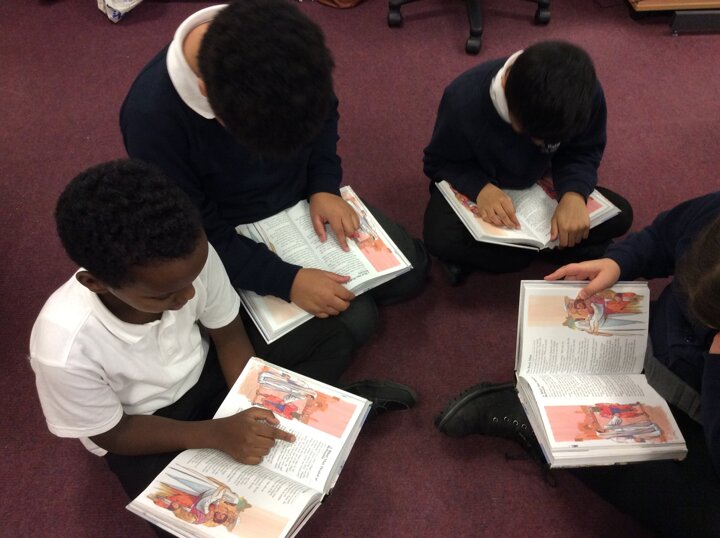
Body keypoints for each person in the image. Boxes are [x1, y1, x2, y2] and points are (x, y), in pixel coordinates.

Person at [119, 0, 429, 400]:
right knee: (356, 320)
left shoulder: (289, 49)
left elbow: (323, 121)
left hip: (303, 202)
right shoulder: (150, 117)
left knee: (412, 271)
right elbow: (193, 231)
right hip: (230, 232)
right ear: (206, 94)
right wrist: (286, 279)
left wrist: (323, 186)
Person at [434, 192, 720, 536]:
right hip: (645, 351)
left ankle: (544, 427)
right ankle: (545, 412)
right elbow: (662, 237)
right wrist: (618, 263)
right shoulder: (712, 216)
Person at [29, 160, 304, 511]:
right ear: (95, 283)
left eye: (193, 278)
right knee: (190, 513)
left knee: (336, 335)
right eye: (164, 296)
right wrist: (216, 433)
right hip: (142, 423)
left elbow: (230, 337)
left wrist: (248, 405)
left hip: (206, 370)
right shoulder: (63, 348)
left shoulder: (187, 256)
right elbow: (112, 433)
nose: (188, 295)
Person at [422, 40, 633, 285]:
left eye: (553, 139)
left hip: (540, 187)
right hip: (482, 179)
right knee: (440, 238)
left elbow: (583, 151)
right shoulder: (463, 100)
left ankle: (515, 254)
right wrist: (481, 189)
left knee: (622, 215)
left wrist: (574, 195)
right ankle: (548, 252)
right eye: (532, 135)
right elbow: (438, 162)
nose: (542, 144)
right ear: (506, 88)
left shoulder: (585, 94)